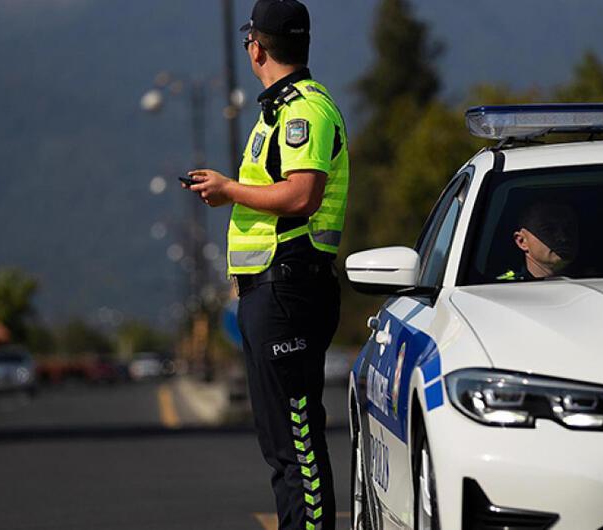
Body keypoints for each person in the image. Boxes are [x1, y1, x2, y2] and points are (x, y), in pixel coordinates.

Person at [185, 1, 347, 528]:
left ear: (256, 48)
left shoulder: (304, 110)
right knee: (281, 447)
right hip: (270, 293)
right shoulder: (278, 110)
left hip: (290, 290)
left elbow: (302, 195)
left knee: (298, 443)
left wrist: (229, 189)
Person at [498, 203, 579, 280]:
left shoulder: (590, 281)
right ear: (521, 241)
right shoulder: (501, 289)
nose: (563, 238)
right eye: (548, 230)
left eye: (569, 229)